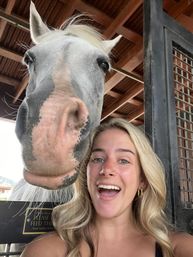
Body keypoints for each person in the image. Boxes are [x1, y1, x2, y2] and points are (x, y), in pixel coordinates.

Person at [21, 118, 193, 257]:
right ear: (86, 175)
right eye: (97, 159)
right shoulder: (45, 251)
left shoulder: (178, 248)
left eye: (123, 160)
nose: (107, 169)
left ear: (143, 180)